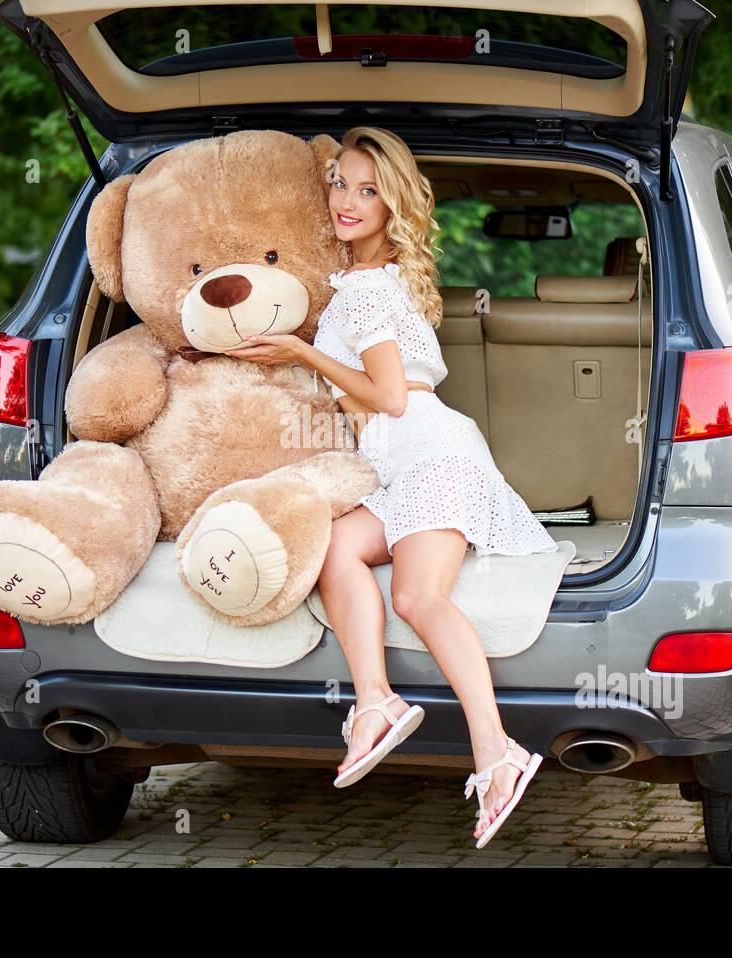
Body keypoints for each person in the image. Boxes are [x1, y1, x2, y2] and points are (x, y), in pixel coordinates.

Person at [224, 126, 557, 848]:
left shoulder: (370, 290)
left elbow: (391, 397)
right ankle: (375, 701)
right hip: (401, 463)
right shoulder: (367, 280)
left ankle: (498, 753)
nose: (347, 200)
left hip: (432, 452)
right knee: (337, 548)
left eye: (368, 190)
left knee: (418, 596)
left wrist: (302, 350)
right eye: (340, 182)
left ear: (393, 205)